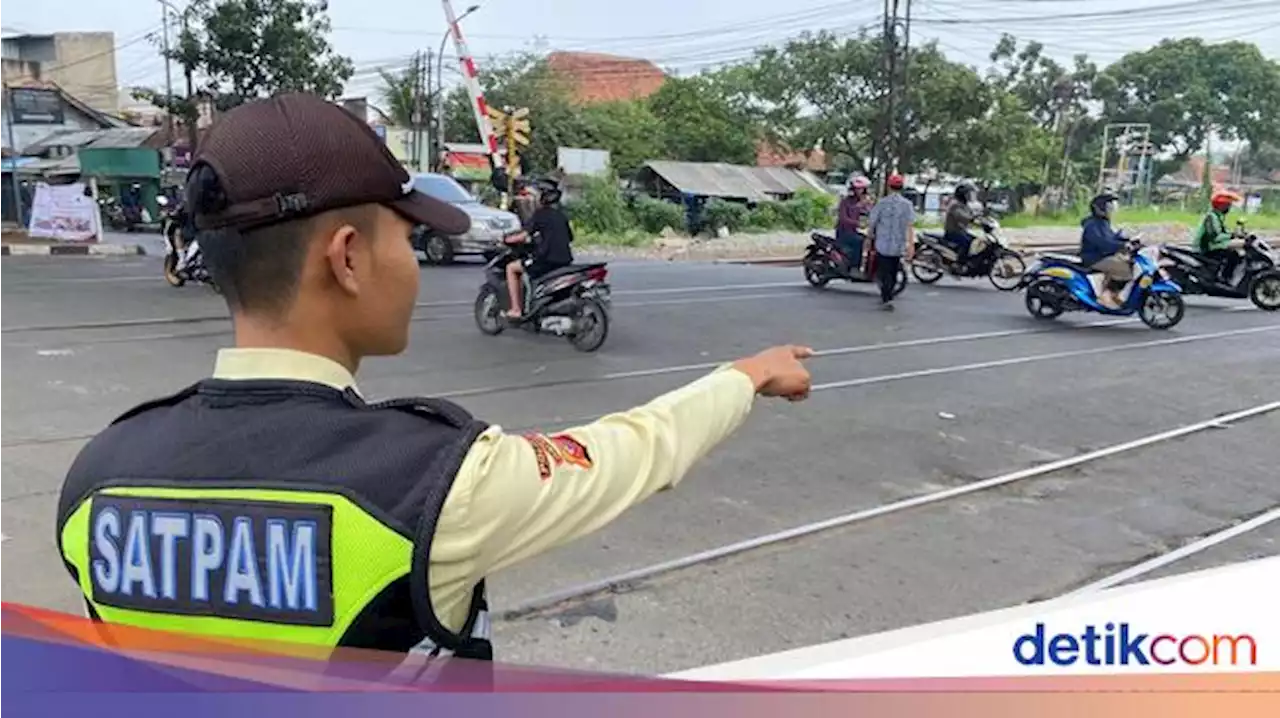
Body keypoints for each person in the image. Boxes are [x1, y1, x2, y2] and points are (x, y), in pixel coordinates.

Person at [53, 93, 813, 674]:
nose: (417, 265)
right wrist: (746, 375)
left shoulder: (94, 484)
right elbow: (629, 453)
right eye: (408, 239)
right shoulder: (437, 484)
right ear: (346, 259)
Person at [503, 180, 574, 320]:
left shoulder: (540, 214)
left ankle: (516, 309)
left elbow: (523, 235)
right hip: (565, 260)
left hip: (546, 259)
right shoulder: (561, 215)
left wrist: (506, 240)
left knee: (511, 268)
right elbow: (570, 237)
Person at [865, 173, 916, 311]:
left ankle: (886, 297)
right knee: (893, 271)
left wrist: (868, 240)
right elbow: (910, 227)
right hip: (897, 245)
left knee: (884, 270)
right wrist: (911, 245)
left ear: (889, 186)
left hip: (882, 244)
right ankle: (888, 296)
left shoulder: (882, 203)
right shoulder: (907, 205)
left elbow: (872, 224)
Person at [1078, 191, 1131, 309]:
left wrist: (1125, 239)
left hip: (1103, 255)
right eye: (1109, 206)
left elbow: (1111, 238)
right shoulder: (1092, 225)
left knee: (1128, 262)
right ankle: (1106, 296)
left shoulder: (1102, 222)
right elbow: (1104, 244)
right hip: (1094, 258)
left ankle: (1114, 294)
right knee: (1124, 269)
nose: (1112, 209)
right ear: (1101, 208)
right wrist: (1122, 246)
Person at [1194, 190, 1243, 284]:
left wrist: (1234, 235)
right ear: (1221, 205)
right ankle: (1225, 279)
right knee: (1234, 255)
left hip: (1212, 245)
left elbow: (1222, 232)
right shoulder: (1211, 217)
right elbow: (1214, 237)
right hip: (1206, 247)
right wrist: (1231, 236)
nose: (1229, 207)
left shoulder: (1217, 216)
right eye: (1227, 205)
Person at [835, 176, 873, 273]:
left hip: (854, 231)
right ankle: (854, 267)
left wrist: (869, 206)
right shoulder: (845, 202)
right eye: (857, 189)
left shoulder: (863, 202)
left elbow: (870, 213)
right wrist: (857, 223)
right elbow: (843, 218)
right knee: (860, 241)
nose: (859, 191)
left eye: (862, 189)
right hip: (844, 232)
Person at [943, 183, 978, 265]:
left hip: (960, 231)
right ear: (962, 194)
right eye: (968, 194)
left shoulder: (964, 205)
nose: (970, 196)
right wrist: (971, 219)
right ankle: (959, 263)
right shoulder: (955, 205)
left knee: (976, 241)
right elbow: (961, 216)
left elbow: (971, 215)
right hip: (953, 232)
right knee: (968, 243)